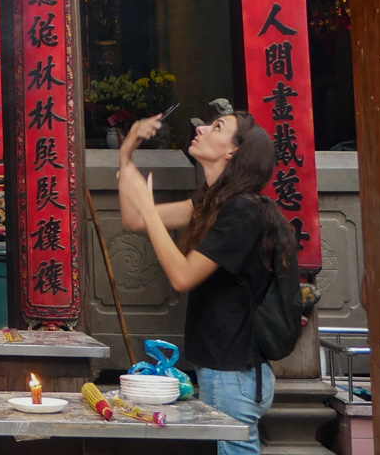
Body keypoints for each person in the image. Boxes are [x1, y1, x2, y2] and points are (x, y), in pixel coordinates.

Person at [119, 110, 291, 455]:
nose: (201, 128)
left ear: (233, 151)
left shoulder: (244, 210)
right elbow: (135, 219)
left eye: (217, 127)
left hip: (234, 374)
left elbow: (182, 276)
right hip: (221, 369)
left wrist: (150, 209)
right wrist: (126, 154)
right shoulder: (213, 202)